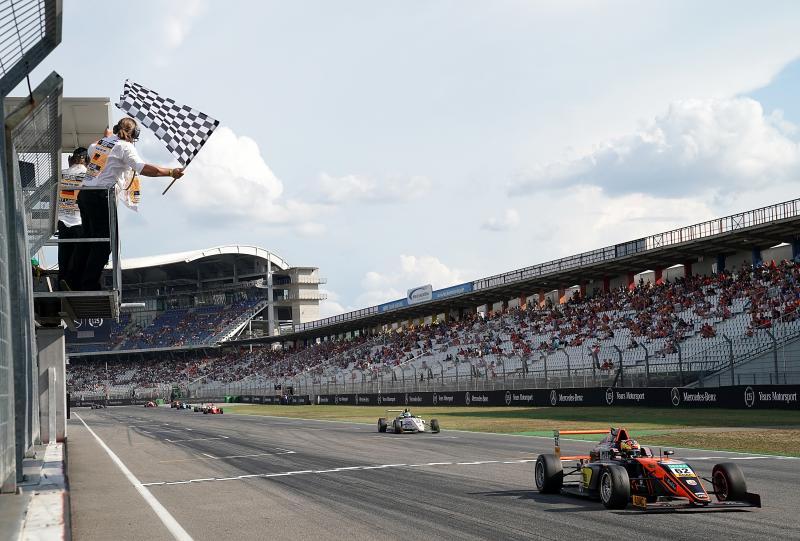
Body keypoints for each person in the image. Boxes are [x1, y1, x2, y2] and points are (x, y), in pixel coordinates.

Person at [66, 117, 184, 291]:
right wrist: (171, 172)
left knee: (87, 239)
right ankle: (89, 284)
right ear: (134, 134)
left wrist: (107, 137)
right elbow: (143, 168)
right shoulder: (125, 147)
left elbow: (100, 152)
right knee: (105, 243)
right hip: (101, 196)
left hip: (85, 194)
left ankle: (72, 281)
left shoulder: (97, 144)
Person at [57, 147, 88, 288]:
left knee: (64, 256)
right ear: (86, 160)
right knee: (79, 257)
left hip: (62, 220)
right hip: (79, 221)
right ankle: (75, 284)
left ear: (70, 159)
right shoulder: (88, 175)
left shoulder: (62, 174)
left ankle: (61, 283)